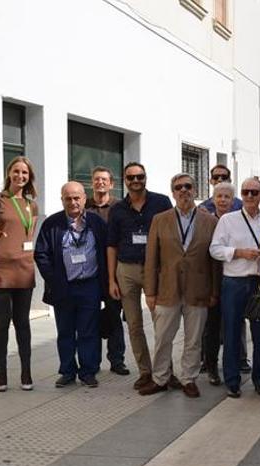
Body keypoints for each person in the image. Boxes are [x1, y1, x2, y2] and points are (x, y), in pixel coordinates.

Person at [138, 174, 219, 398]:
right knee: (163, 338)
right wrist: (150, 291)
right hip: (167, 289)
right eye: (178, 187)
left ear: (195, 190)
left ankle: (188, 379)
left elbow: (214, 261)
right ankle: (160, 378)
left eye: (188, 186)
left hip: (198, 290)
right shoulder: (160, 219)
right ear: (172, 193)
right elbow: (151, 258)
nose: (183, 191)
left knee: (193, 340)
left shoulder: (210, 221)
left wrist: (214, 291)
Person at [107, 162, 174, 390]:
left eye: (140, 176)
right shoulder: (117, 209)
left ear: (146, 177)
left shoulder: (162, 202)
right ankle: (145, 371)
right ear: (125, 180)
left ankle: (165, 371)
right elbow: (111, 246)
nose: (136, 181)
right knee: (134, 324)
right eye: (131, 177)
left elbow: (173, 236)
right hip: (126, 270)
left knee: (162, 324)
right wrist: (111, 279)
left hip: (156, 270)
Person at [35, 182, 108, 388]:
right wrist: (54, 280)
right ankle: (67, 371)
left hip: (90, 286)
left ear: (85, 198)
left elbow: (107, 251)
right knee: (65, 331)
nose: (73, 202)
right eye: (68, 198)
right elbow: (41, 254)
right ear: (62, 200)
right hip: (63, 287)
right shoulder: (52, 224)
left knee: (88, 331)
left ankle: (87, 371)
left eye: (77, 197)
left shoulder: (96, 223)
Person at [0, 156, 39, 391]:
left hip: (24, 270)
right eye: (16, 171)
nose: (20, 176)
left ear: (29, 177)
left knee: (23, 323)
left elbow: (28, 236)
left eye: (24, 173)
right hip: (0, 270)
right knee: (1, 323)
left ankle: (26, 373)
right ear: (9, 173)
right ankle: (1, 375)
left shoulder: (31, 205)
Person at [209, 178, 260, 398]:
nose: (250, 196)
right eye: (246, 192)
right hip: (234, 281)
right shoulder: (227, 220)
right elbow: (215, 249)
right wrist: (238, 252)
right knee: (232, 333)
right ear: (241, 196)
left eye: (254, 192)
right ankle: (232, 381)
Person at [86, 166, 129, 376]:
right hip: (90, 273)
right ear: (92, 183)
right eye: (96, 179)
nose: (100, 183)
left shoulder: (120, 208)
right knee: (90, 317)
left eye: (104, 179)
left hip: (114, 272)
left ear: (111, 184)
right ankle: (92, 362)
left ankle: (117, 360)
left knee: (114, 316)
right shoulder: (84, 206)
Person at [200, 181, 238, 385]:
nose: (223, 200)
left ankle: (234, 364)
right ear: (213, 199)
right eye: (219, 196)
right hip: (210, 282)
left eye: (227, 196)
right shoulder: (205, 221)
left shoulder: (237, 221)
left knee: (234, 326)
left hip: (234, 280)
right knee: (211, 327)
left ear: (233, 201)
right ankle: (211, 366)